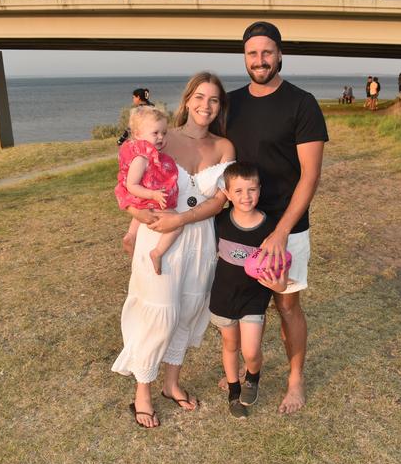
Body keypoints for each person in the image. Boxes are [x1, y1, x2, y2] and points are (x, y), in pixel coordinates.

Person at [111, 72, 235, 428]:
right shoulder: (161, 137)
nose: (205, 106)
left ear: (220, 106)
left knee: (188, 310)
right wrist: (137, 220)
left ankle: (171, 384)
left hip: (199, 239)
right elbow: (129, 190)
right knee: (160, 312)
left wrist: (182, 220)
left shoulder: (226, 147)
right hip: (159, 238)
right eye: (199, 97)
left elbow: (219, 202)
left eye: (213, 99)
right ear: (187, 99)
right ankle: (143, 394)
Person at [227, 21, 328, 414]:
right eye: (252, 53)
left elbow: (311, 175)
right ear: (245, 58)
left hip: (287, 227)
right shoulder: (231, 104)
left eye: (267, 52)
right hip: (240, 225)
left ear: (280, 55)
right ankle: (244, 369)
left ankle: (295, 380)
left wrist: (282, 230)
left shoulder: (302, 104)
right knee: (245, 304)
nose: (260, 60)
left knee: (286, 306)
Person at [210, 163, 288, 418]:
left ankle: (252, 377)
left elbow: (281, 280)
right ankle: (233, 392)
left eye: (252, 190)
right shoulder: (218, 221)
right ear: (227, 194)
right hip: (223, 297)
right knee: (230, 345)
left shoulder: (270, 228)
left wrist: (276, 284)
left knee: (251, 350)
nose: (246, 196)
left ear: (260, 190)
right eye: (239, 191)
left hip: (254, 299)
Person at [114, 106, 180, 274]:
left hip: (144, 200)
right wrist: (153, 194)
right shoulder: (141, 158)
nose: (160, 137)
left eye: (164, 133)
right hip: (147, 199)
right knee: (178, 223)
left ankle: (131, 235)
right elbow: (131, 185)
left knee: (140, 215)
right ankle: (157, 252)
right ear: (138, 134)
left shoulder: (148, 154)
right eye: (155, 133)